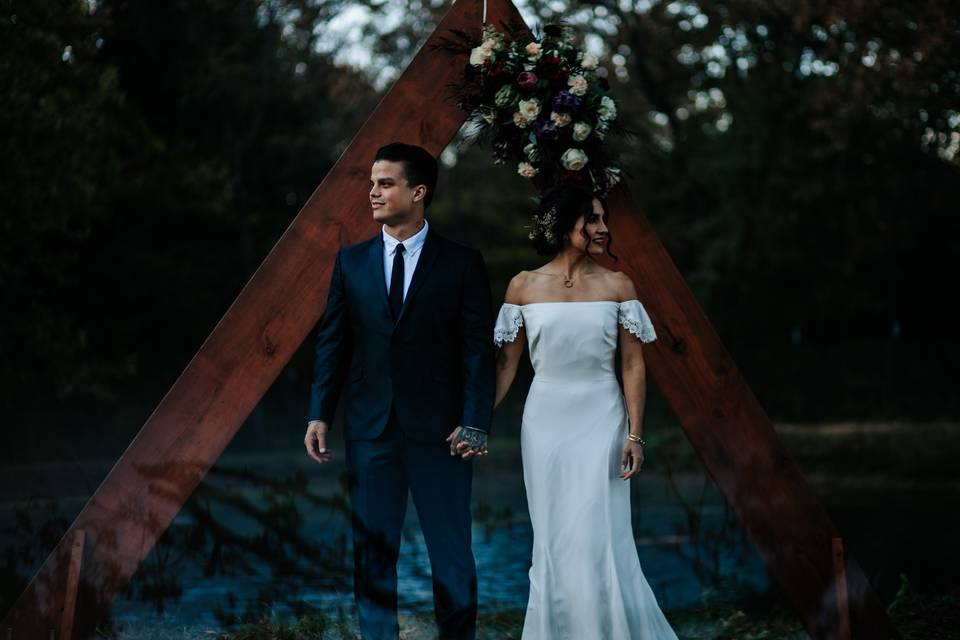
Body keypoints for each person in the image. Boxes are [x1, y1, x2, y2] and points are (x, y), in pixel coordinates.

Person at [304, 142, 495, 640]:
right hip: (370, 433)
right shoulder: (351, 263)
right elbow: (333, 344)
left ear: (419, 191)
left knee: (451, 553)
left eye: (385, 183)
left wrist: (475, 420)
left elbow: (478, 352)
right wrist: (318, 413)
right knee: (372, 556)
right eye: (372, 183)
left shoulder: (462, 263)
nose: (373, 192)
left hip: (443, 433)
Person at [494, 183, 679, 639]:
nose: (602, 228)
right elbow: (506, 366)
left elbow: (633, 364)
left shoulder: (619, 285)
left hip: (603, 416)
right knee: (554, 537)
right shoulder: (522, 285)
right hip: (544, 423)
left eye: (602, 218)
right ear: (563, 224)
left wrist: (636, 435)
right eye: (592, 219)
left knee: (601, 533)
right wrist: (475, 420)